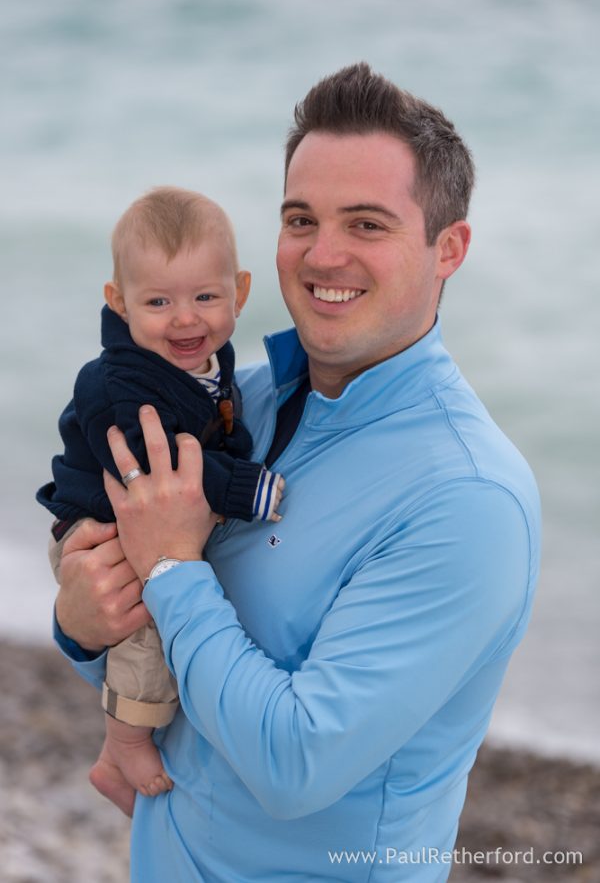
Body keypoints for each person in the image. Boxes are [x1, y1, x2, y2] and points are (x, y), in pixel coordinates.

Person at [52, 64, 541, 881]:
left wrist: (172, 566)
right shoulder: (239, 403)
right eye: (300, 217)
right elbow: (137, 645)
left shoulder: (469, 502)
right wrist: (79, 621)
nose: (323, 253)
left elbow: (295, 765)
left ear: (447, 247)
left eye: (368, 224)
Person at [37, 185, 284, 817]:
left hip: (128, 511)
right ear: (119, 303)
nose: (185, 319)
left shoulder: (200, 358)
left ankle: (119, 743)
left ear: (241, 291)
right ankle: (124, 744)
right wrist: (245, 489)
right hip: (96, 524)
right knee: (146, 627)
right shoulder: (127, 384)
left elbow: (212, 426)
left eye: (206, 296)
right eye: (158, 302)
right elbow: (167, 472)